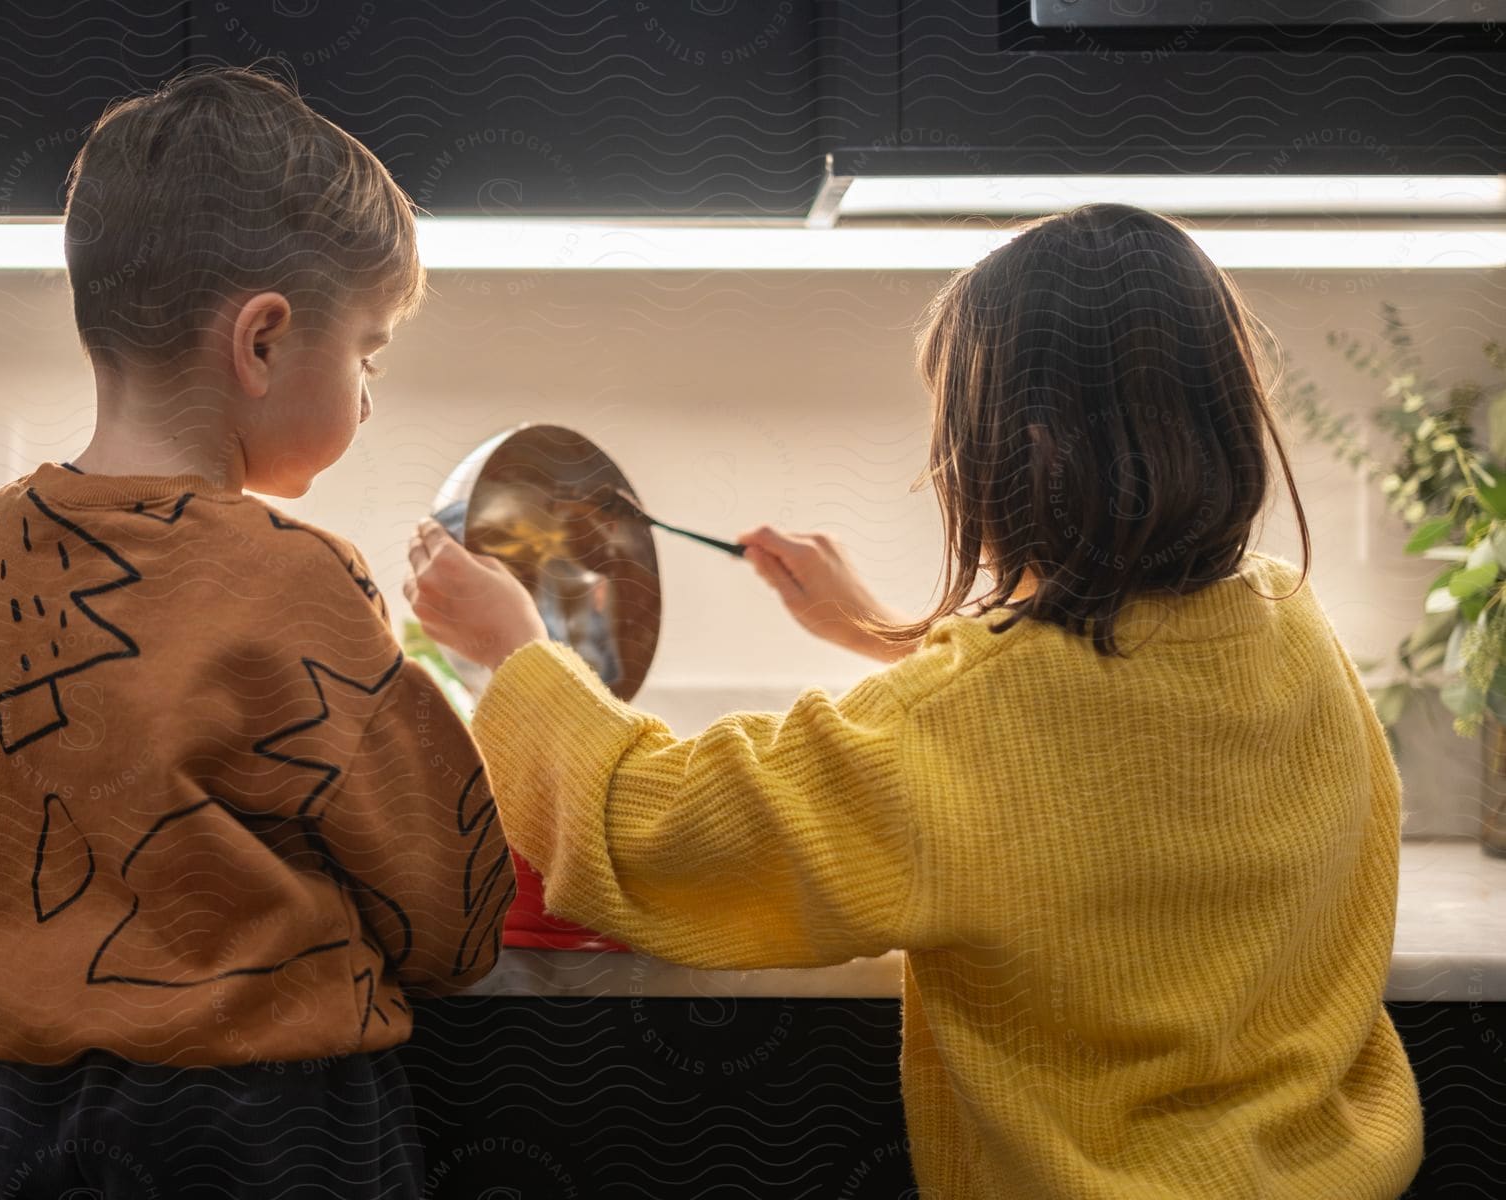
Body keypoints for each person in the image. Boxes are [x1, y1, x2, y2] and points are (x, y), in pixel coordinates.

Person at [405, 203, 1424, 1199]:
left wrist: (517, 652)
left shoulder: (969, 719)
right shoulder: (1292, 625)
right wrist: (885, 634)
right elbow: (1103, 728)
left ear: (1016, 458)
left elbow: (657, 829)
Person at [0, 66, 514, 1198]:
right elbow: (452, 920)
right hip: (270, 1131)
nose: (370, 393)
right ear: (265, 342)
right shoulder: (293, 577)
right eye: (369, 353)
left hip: (30, 1121)